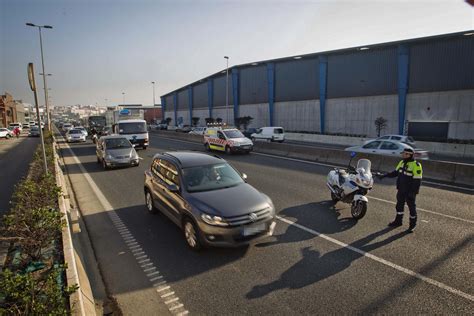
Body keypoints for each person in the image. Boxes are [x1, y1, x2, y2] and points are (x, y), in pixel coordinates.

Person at [378, 148, 422, 232]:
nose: (403, 155)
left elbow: (417, 180)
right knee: (399, 206)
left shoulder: (416, 165)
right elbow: (395, 173)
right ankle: (398, 221)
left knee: (411, 208)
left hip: (410, 191)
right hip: (401, 189)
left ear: (410, 155)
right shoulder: (401, 162)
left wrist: (413, 192)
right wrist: (384, 175)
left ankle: (412, 225)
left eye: (405, 154)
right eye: (403, 153)